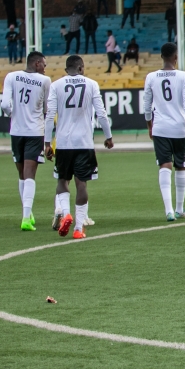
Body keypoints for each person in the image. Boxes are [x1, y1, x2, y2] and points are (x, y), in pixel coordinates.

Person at [45, 55, 114, 239]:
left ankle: (66, 213)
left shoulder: (56, 85)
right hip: (84, 142)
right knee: (81, 183)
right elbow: (101, 113)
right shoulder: (91, 84)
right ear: (82, 68)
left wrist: (46, 143)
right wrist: (108, 137)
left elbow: (50, 114)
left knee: (62, 181)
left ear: (66, 69)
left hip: (63, 143)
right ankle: (78, 228)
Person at [141, 42, 185, 221]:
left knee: (164, 165)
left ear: (161, 57)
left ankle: (169, 210)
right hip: (180, 128)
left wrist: (150, 125)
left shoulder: (151, 77)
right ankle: (179, 208)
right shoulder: (183, 76)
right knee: (181, 165)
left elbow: (147, 105)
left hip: (160, 127)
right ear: (175, 57)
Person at [0, 51, 51, 231]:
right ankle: (26, 217)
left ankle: (27, 213)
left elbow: (5, 105)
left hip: (16, 131)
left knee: (21, 174)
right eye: (44, 64)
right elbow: (47, 109)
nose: (45, 68)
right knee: (30, 174)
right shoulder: (45, 81)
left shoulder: (11, 76)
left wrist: (14, 116)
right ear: (37, 63)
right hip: (35, 131)